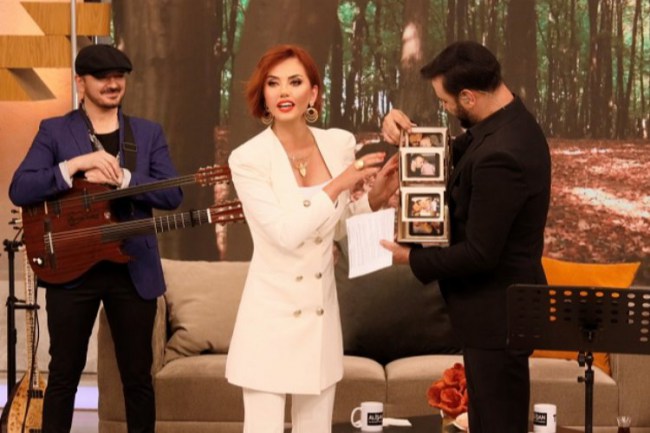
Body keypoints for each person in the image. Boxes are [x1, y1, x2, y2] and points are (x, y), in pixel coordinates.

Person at [9, 44, 183, 433]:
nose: (112, 83)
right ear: (80, 83)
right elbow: (20, 189)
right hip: (71, 268)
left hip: (134, 268)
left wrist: (124, 179)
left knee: (137, 377)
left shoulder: (148, 133)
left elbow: (172, 194)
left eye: (119, 76)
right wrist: (74, 165)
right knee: (64, 374)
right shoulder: (55, 131)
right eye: (102, 76)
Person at [225, 44, 399, 433]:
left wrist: (374, 199)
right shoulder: (247, 158)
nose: (284, 92)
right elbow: (285, 233)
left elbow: (333, 227)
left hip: (320, 319)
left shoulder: (338, 143)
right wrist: (338, 184)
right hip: (269, 319)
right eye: (273, 83)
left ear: (314, 92)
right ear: (263, 95)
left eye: (295, 82)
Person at [381, 41, 551, 433]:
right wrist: (399, 130)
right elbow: (450, 152)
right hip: (492, 314)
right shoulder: (503, 123)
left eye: (445, 101)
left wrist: (410, 258)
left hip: (497, 315)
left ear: (468, 97)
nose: (444, 109)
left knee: (497, 424)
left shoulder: (503, 154)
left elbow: (479, 253)